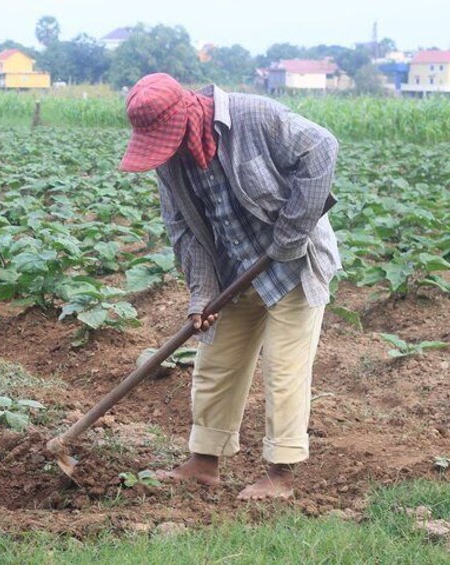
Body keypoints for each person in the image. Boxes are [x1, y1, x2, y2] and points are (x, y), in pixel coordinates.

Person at [118, 73, 341, 500]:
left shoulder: (254, 116)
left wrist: (291, 235)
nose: (168, 150)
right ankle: (204, 462)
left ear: (187, 114)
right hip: (234, 271)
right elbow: (184, 231)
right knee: (215, 363)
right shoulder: (172, 163)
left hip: (293, 265)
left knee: (284, 368)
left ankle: (281, 474)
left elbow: (321, 148)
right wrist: (202, 294)